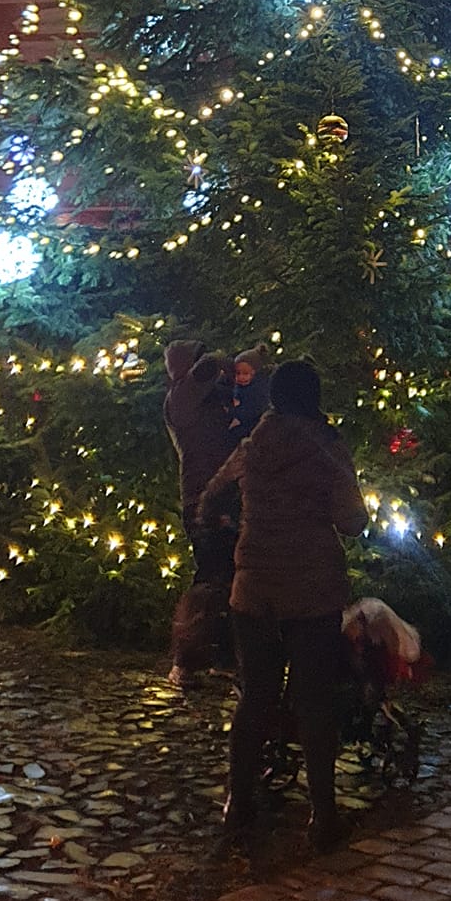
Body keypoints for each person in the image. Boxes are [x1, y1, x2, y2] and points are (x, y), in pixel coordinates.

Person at [197, 358, 368, 854]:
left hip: (253, 591)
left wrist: (232, 522)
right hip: (312, 590)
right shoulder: (328, 449)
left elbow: (210, 498)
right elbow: (352, 520)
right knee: (314, 701)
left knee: (255, 696)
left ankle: (238, 803)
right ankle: (324, 815)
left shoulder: (253, 446)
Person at [163, 340, 239, 685]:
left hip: (226, 497)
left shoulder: (210, 399)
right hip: (202, 503)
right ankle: (186, 659)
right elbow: (210, 364)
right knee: (210, 579)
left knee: (229, 579)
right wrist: (232, 359)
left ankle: (222, 657)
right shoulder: (182, 398)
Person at [230, 345, 272, 436]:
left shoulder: (258, 390)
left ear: (256, 372)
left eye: (245, 373)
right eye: (238, 373)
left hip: (254, 426)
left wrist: (232, 411)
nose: (241, 377)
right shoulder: (240, 387)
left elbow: (251, 411)